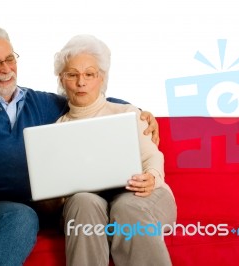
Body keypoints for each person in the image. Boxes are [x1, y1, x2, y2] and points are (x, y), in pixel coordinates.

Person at [0, 26, 160, 266]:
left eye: (9, 59)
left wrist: (138, 112)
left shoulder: (42, 103)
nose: (5, 69)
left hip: (1, 205)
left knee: (24, 217)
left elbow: (84, 95)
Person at [53, 34, 177, 266]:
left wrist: (152, 177)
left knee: (126, 206)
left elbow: (152, 157)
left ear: (101, 78)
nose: (81, 82)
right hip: (91, 207)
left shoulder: (128, 113)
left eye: (89, 74)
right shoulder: (58, 129)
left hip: (143, 196)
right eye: (72, 75)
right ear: (62, 80)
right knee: (82, 200)